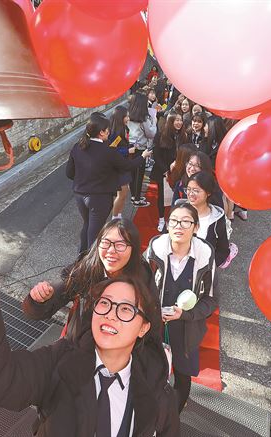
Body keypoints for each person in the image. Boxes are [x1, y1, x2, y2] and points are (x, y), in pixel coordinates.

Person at [0, 245, 179, 436]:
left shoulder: (159, 393)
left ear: (144, 327)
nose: (111, 313)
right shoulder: (59, 362)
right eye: (105, 303)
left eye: (126, 308)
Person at [23, 218, 158, 342]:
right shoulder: (86, 270)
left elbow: (151, 326)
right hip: (78, 348)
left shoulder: (142, 280)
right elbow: (46, 306)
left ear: (133, 249)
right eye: (105, 242)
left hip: (116, 355)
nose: (111, 250)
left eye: (120, 245)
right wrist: (39, 300)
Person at [144, 203, 218, 413]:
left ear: (195, 227)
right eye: (174, 220)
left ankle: (173, 417)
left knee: (183, 378)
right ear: (168, 225)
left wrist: (185, 314)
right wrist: (151, 311)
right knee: (149, 369)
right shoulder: (155, 248)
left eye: (186, 221)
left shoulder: (204, 254)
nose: (179, 226)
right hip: (153, 325)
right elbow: (138, 286)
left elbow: (211, 299)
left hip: (187, 329)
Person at [67, 112, 152, 253]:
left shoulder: (78, 146)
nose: (109, 133)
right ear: (101, 132)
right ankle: (89, 267)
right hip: (99, 197)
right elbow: (127, 166)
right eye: (107, 130)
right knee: (94, 235)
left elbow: (69, 173)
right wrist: (142, 157)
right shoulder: (108, 151)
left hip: (79, 194)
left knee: (87, 225)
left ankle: (81, 258)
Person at [184, 172, 231, 267]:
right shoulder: (179, 212)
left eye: (196, 190)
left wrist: (207, 267)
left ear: (208, 193)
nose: (190, 194)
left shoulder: (216, 218)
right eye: (188, 189)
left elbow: (223, 250)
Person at [151, 112, 187, 232]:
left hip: (179, 171)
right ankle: (161, 219)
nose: (179, 122)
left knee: (178, 194)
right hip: (164, 171)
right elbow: (156, 155)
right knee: (162, 195)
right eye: (176, 120)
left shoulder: (184, 135)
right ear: (170, 121)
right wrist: (165, 170)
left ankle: (176, 218)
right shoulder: (161, 135)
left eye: (180, 120)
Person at [128, 93, 157, 207]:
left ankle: (133, 195)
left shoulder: (128, 115)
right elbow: (151, 133)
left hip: (129, 147)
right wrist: (153, 121)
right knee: (139, 174)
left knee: (131, 173)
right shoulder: (144, 118)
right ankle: (137, 199)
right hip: (140, 148)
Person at [108, 106, 136, 220]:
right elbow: (111, 150)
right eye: (126, 116)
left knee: (124, 193)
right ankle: (115, 218)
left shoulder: (124, 128)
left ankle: (118, 215)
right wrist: (127, 150)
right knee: (122, 193)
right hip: (118, 167)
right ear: (121, 118)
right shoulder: (115, 133)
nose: (128, 118)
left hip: (124, 165)